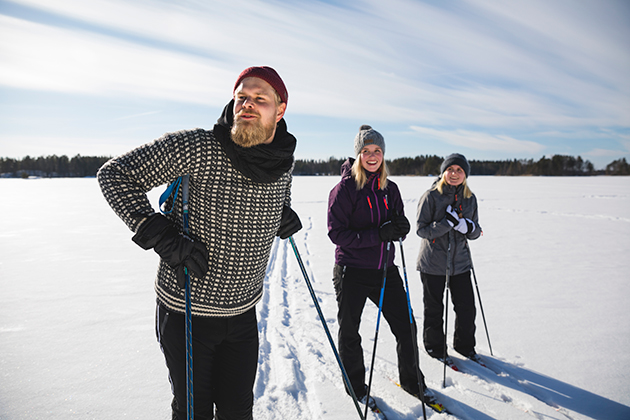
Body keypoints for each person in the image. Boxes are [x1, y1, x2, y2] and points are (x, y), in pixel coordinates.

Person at [98, 66, 302, 420]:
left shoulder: (282, 163)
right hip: (187, 311)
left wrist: (280, 214)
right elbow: (115, 175)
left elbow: (275, 198)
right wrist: (163, 237)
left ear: (280, 109)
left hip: (242, 314)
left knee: (238, 411)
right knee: (194, 413)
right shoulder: (198, 146)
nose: (247, 105)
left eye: (259, 99)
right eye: (241, 97)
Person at [327, 125, 428, 408]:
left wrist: (401, 228)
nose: (372, 156)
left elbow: (397, 224)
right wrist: (378, 235)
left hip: (385, 270)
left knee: (406, 327)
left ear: (383, 155)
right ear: (358, 154)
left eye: (377, 151)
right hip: (352, 271)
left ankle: (412, 381)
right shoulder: (345, 189)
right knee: (350, 332)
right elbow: (337, 234)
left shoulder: (390, 188)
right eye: (366, 151)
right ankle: (356, 386)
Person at [415, 153, 482, 365]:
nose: (454, 174)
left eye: (459, 170)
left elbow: (475, 231)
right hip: (433, 263)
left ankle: (464, 346)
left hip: (461, 263)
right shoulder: (431, 196)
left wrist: (468, 227)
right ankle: (434, 347)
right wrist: (446, 223)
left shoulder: (470, 199)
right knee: (434, 308)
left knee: (466, 308)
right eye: (450, 170)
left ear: (465, 175)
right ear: (443, 172)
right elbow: (422, 230)